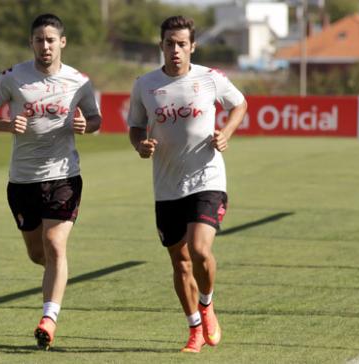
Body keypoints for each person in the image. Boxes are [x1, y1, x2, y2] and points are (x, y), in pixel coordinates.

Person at [0, 13, 102, 350]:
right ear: (31, 43)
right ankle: (56, 276)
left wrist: (85, 126)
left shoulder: (79, 81)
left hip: (64, 176)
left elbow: (95, 119)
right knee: (38, 253)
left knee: (55, 244)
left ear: (62, 42)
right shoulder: (13, 78)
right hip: (22, 180)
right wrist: (6, 125)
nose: (44, 45)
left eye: (51, 39)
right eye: (38, 39)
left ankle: (49, 318)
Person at [127, 15, 247, 353]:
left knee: (199, 250)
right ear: (161, 46)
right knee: (179, 263)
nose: (176, 49)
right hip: (166, 186)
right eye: (170, 43)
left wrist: (226, 132)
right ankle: (194, 329)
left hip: (207, 177)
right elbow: (136, 126)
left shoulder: (210, 79)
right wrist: (140, 145)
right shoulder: (145, 85)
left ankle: (207, 304)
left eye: (182, 44)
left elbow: (239, 104)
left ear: (192, 46)